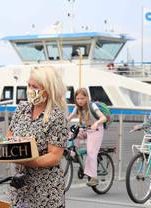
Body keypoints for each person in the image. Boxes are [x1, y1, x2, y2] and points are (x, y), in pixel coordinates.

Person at [7, 66, 68, 208]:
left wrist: (27, 161)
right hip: (20, 185)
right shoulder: (22, 109)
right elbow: (9, 137)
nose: (30, 89)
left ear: (47, 89)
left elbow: (54, 156)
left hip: (45, 188)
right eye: (28, 85)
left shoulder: (56, 116)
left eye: (34, 86)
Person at [67, 88, 106, 186]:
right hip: (86, 129)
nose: (80, 101)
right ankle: (77, 156)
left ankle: (93, 178)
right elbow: (69, 117)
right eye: (78, 98)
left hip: (96, 130)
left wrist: (96, 123)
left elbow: (103, 118)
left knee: (91, 152)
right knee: (70, 135)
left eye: (82, 98)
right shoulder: (77, 108)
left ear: (87, 98)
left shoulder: (92, 106)